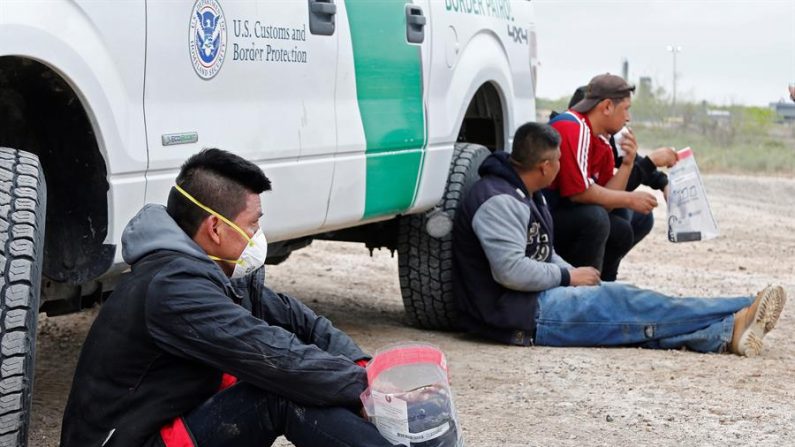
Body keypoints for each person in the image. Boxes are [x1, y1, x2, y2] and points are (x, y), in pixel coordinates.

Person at [60, 149, 394, 447]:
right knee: (278, 391)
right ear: (216, 229)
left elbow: (297, 320)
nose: (257, 236)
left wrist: (364, 368)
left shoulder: (206, 272)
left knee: (300, 381)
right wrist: (370, 390)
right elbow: (278, 359)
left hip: (160, 426)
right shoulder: (174, 288)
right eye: (252, 224)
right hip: (134, 440)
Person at [452, 121, 786, 355]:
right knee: (629, 304)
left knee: (630, 320)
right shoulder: (498, 200)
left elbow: (544, 252)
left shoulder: (528, 192)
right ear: (544, 166)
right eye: (559, 161)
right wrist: (569, 276)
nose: (562, 167)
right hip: (524, 316)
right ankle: (743, 305)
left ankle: (727, 334)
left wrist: (572, 277)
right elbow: (510, 271)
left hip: (537, 302)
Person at [544, 73, 669, 281]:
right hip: (541, 215)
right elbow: (580, 194)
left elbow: (608, 201)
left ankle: (603, 284)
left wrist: (628, 164)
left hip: (564, 214)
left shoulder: (603, 140)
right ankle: (581, 290)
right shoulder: (574, 126)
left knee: (621, 228)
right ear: (608, 107)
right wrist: (631, 198)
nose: (628, 118)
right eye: (626, 109)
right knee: (597, 219)